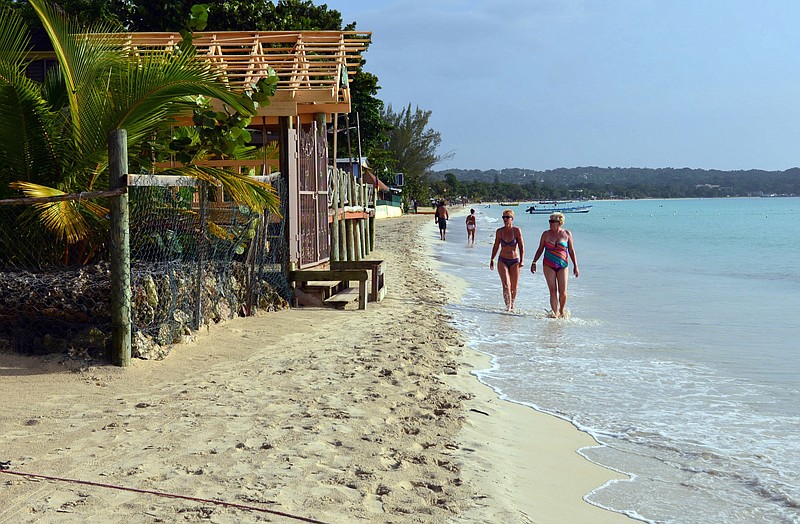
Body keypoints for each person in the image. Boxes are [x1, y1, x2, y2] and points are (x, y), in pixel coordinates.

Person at [530, 212, 579, 318]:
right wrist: (534, 262)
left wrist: (576, 265)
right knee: (553, 290)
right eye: (550, 221)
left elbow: (571, 250)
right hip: (548, 264)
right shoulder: (545, 234)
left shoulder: (566, 234)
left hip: (563, 265)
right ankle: (555, 314)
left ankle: (561, 310)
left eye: (553, 221)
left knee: (563, 292)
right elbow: (540, 249)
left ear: (560, 222)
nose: (550, 223)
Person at [489, 209, 524, 311]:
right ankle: (507, 306)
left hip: (515, 261)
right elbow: (496, 246)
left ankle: (512, 304)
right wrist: (492, 259)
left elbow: (521, 246)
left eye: (507, 217)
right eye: (503, 217)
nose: (505, 219)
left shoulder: (516, 231)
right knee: (505, 284)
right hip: (502, 260)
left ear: (512, 219)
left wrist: (522, 260)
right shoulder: (499, 231)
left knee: (514, 286)